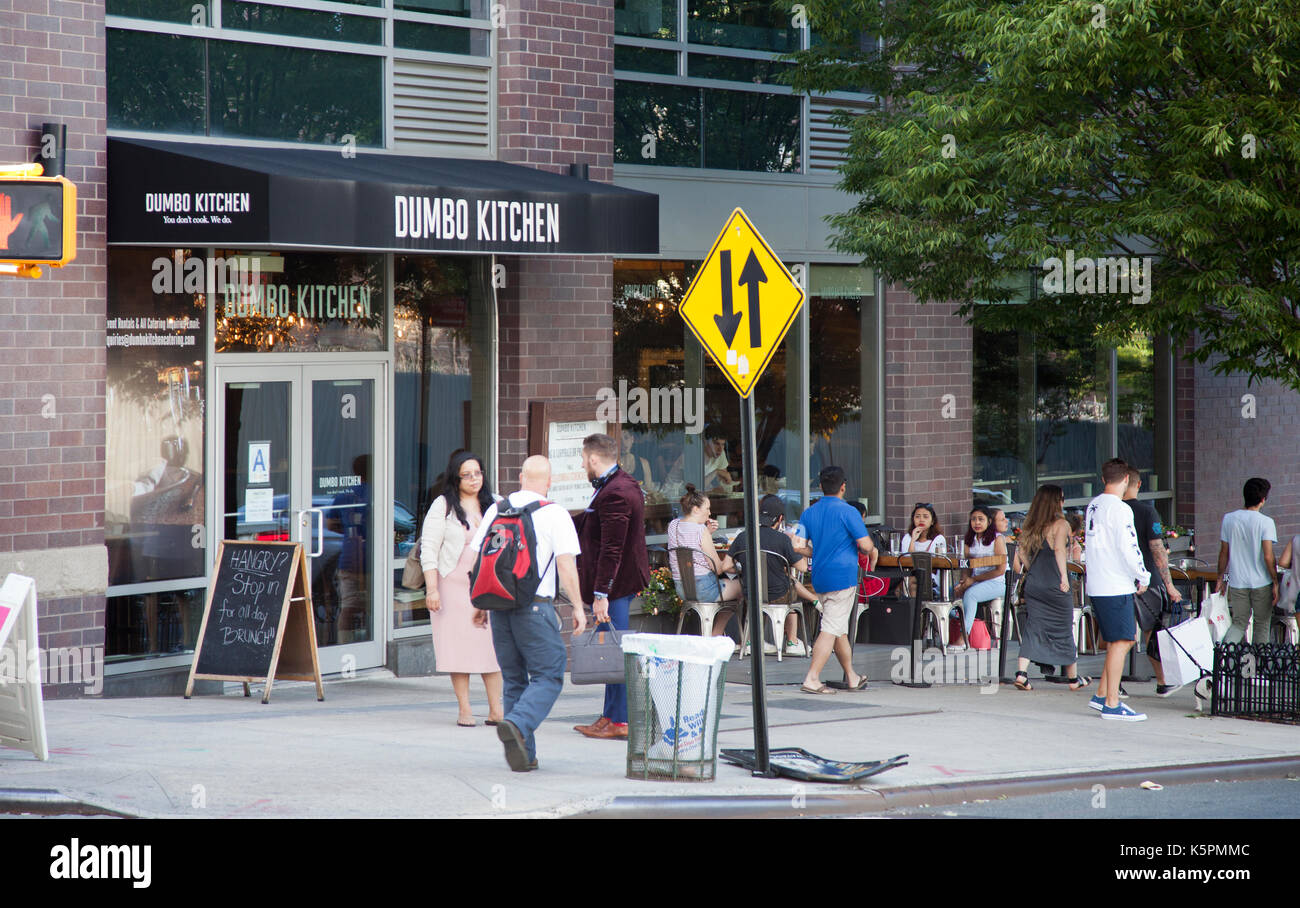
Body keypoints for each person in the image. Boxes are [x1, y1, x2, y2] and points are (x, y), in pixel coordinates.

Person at [470, 455, 586, 772]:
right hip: (535, 607)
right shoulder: (555, 514)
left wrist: (480, 604)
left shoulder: (497, 509)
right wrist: (577, 606)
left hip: (499, 607)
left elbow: (479, 560)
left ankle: (525, 755)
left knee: (514, 679)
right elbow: (566, 566)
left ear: (521, 477)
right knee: (549, 674)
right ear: (549, 482)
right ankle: (518, 725)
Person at [572, 433, 650, 740]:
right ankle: (610, 716)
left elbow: (612, 548)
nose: (581, 464)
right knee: (611, 649)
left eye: (583, 459)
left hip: (615, 586)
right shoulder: (619, 483)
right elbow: (594, 526)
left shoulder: (615, 492)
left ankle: (619, 720)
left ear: (593, 459)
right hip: (618, 583)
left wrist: (601, 594)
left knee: (615, 650)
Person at [420, 451, 504, 727]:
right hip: (453, 586)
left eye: (477, 473)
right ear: (455, 478)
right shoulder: (443, 505)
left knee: (492, 648)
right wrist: (432, 589)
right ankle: (465, 709)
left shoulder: (497, 504)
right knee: (458, 649)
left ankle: (495, 710)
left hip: (490, 586)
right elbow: (429, 550)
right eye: (466, 474)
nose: (473, 479)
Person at [1084, 458, 1151, 721]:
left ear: (1103, 479)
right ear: (1126, 480)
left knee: (1115, 642)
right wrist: (1142, 574)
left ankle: (1102, 694)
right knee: (1123, 641)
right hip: (1114, 583)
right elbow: (1129, 547)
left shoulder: (1094, 505)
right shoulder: (1121, 509)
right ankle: (1112, 703)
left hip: (1098, 581)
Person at [798, 466, 874, 695]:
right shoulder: (849, 512)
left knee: (838, 627)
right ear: (843, 487)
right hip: (843, 577)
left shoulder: (808, 513)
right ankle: (812, 678)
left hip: (820, 577)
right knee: (831, 627)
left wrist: (818, 551)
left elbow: (796, 545)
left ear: (820, 486)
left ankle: (851, 676)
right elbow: (866, 545)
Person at [1012, 485, 1090, 691]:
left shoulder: (1031, 525)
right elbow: (1058, 550)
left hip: (1034, 584)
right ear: (1056, 502)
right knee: (1064, 628)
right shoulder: (1061, 524)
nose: (1064, 502)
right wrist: (1064, 577)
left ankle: (1021, 674)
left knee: (1033, 629)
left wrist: (1032, 571)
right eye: (1062, 498)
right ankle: (1073, 679)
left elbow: (1021, 556)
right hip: (1054, 584)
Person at [730, 494, 818, 656]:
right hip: (778, 594)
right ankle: (792, 641)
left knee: (762, 587)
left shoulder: (743, 536)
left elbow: (727, 566)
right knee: (791, 590)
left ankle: (751, 641)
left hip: (751, 594)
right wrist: (799, 548)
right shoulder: (782, 539)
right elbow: (803, 567)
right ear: (780, 518)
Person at [1122, 466, 1182, 695]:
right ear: (1138, 484)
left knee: (1117, 634)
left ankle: (1113, 684)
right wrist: (1169, 585)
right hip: (1147, 579)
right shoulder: (1148, 512)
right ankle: (1162, 680)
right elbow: (1157, 549)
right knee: (1153, 631)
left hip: (1117, 580)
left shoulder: (1111, 510)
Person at [666, 485, 743, 636]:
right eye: (707, 508)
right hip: (704, 588)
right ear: (695, 509)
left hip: (682, 588)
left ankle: (716, 636)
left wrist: (707, 531)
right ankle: (716, 635)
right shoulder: (701, 531)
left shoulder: (673, 525)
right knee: (744, 587)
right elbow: (718, 569)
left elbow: (688, 542)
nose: (710, 512)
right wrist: (736, 567)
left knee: (730, 587)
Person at [1216, 477, 1279, 644]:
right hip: (1261, 582)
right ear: (1263, 499)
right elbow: (1268, 556)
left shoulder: (1229, 519)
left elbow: (1224, 553)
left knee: (1238, 623)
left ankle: (1224, 660)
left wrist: (1220, 577)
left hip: (1237, 582)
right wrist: (1275, 581)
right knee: (1262, 624)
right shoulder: (1266, 522)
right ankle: (1261, 666)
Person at [950, 506, 1008, 651]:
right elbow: (967, 566)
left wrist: (973, 581)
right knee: (949, 592)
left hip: (997, 583)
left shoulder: (997, 539)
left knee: (971, 595)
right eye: (973, 519)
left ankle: (963, 638)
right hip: (976, 582)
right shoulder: (970, 539)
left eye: (981, 519)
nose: (977, 523)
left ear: (989, 521)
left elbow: (1000, 570)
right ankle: (952, 628)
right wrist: (964, 582)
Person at [903, 501, 946, 592]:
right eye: (917, 516)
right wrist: (913, 540)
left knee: (911, 582)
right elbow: (907, 561)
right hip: (910, 575)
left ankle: (914, 605)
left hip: (931, 577)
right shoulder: (908, 537)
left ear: (932, 521)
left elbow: (928, 563)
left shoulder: (938, 539)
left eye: (925, 517)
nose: (921, 520)